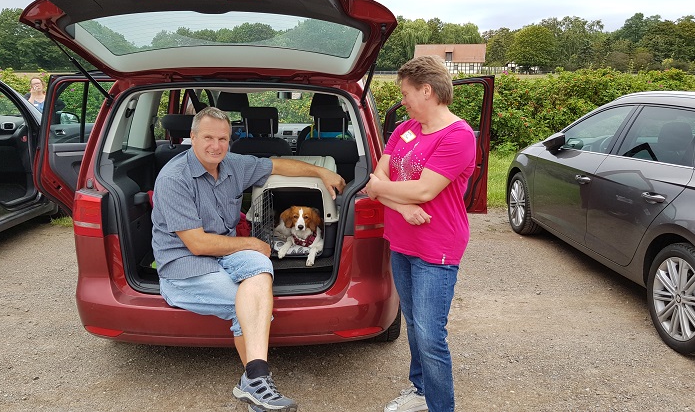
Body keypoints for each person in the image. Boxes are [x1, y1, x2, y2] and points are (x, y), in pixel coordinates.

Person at [151, 106, 345, 412]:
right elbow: (197, 244)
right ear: (192, 137)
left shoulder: (232, 164)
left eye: (223, 139)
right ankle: (256, 380)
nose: (216, 146)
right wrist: (251, 242)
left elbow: (277, 164)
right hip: (184, 266)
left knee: (260, 264)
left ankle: (252, 383)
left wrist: (321, 172)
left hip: (224, 255)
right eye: (208, 138)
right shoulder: (174, 179)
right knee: (246, 306)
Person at [365, 55, 476, 412]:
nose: (403, 100)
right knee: (414, 324)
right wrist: (401, 207)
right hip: (402, 239)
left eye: (405, 93)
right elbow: (376, 180)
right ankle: (420, 391)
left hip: (436, 246)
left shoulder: (458, 135)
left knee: (430, 335)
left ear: (426, 90)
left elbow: (424, 190)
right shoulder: (405, 129)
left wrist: (384, 190)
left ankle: (440, 407)